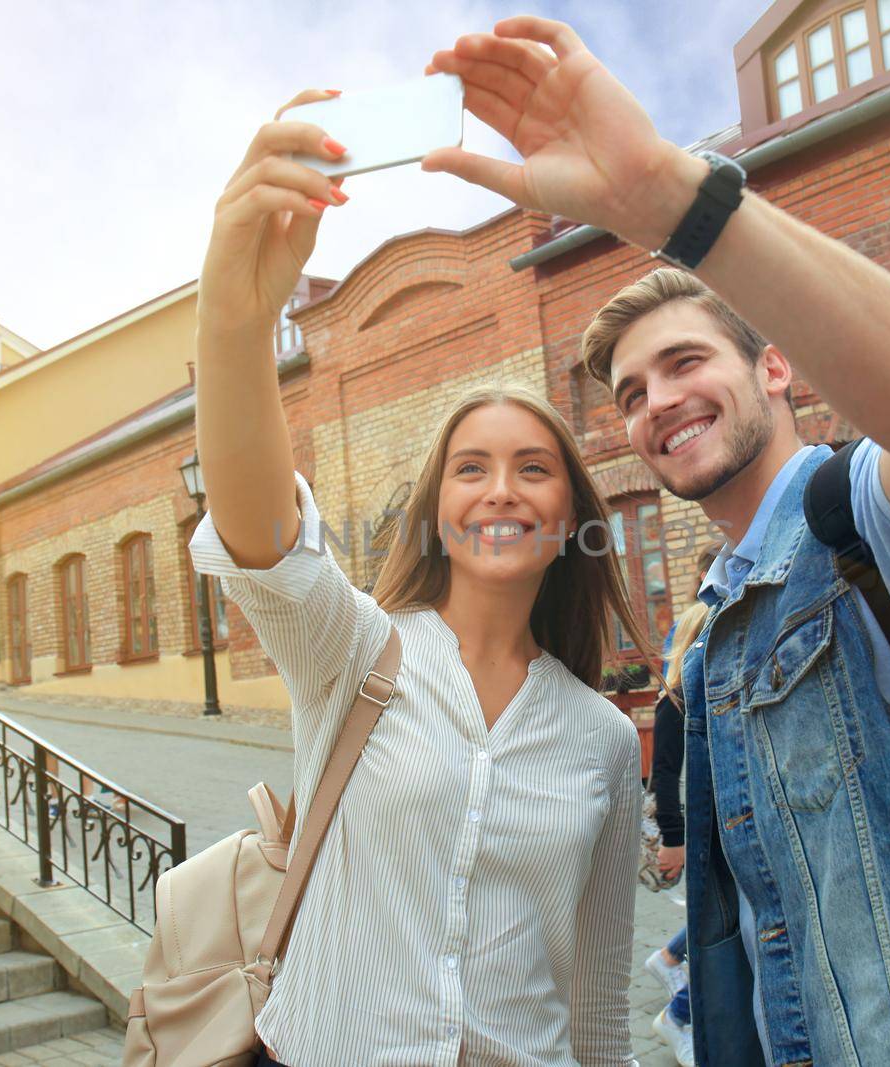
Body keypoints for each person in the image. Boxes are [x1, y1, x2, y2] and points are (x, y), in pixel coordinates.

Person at [477, 23, 890, 1059]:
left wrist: (677, 206)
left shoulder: (864, 521)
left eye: (685, 362)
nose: (658, 402)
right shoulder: (725, 609)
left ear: (773, 369)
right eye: (632, 393)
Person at [187, 73, 662, 1065]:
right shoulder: (352, 651)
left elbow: (597, 990)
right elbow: (260, 530)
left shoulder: (601, 742)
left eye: (533, 468)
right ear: (438, 511)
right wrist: (236, 312)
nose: (500, 489)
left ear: (568, 512)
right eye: (471, 468)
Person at [643, 550, 715, 1067]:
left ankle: (670, 959)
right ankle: (681, 1013)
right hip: (707, 820)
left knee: (722, 916)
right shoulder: (680, 677)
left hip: (727, 814)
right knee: (720, 924)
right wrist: (674, 836)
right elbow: (664, 771)